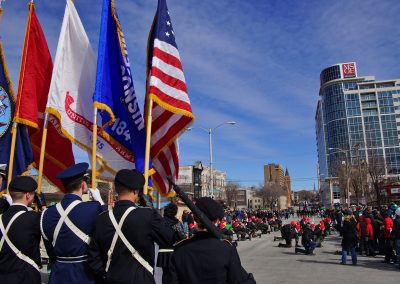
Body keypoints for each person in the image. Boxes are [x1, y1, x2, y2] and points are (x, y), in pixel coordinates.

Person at [87, 169, 174, 284]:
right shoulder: (147, 216)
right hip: (141, 279)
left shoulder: (101, 219)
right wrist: (152, 210)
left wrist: (105, 275)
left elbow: (93, 257)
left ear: (116, 189)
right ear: (136, 191)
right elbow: (169, 237)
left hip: (111, 279)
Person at [41, 162, 105, 284]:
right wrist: (101, 202)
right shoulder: (93, 208)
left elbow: (50, 250)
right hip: (85, 274)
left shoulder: (46, 214)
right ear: (82, 184)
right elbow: (108, 224)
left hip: (58, 275)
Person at [169, 197, 244, 284]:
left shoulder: (179, 249)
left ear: (194, 218)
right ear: (216, 220)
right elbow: (236, 280)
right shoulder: (227, 249)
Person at [0, 176, 44, 284]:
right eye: (34, 194)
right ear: (28, 195)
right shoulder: (34, 218)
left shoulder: (1, 217)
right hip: (26, 277)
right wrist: (43, 207)